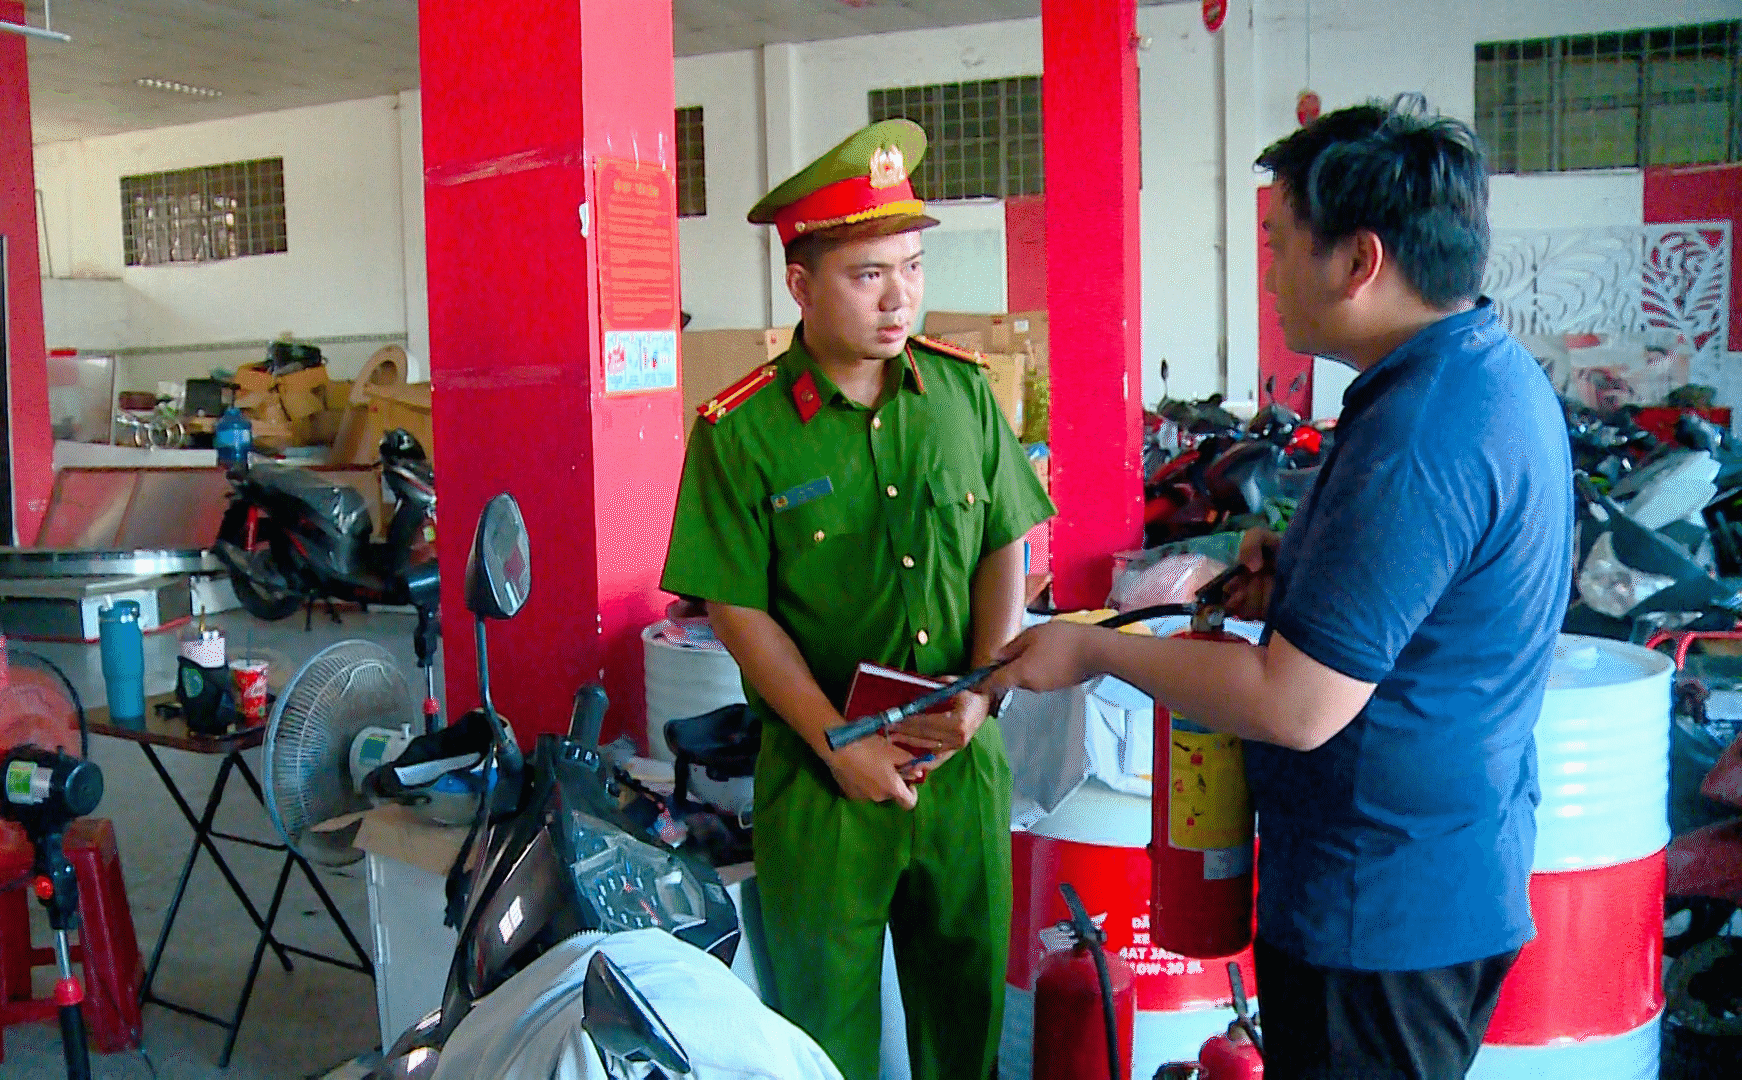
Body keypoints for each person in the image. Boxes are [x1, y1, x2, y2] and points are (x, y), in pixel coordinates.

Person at [985, 95, 1573, 1079]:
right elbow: (1415, 606)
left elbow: (1298, 707)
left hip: (1379, 909)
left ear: (1358, 262)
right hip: (1448, 868)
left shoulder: (1420, 434)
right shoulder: (1485, 375)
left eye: (1278, 242)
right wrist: (1295, 573)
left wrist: (1088, 650)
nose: (1268, 274)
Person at [659, 118, 1054, 1080]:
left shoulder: (961, 396)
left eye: (912, 268)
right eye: (867, 274)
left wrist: (983, 686)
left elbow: (1010, 538)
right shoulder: (740, 431)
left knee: (964, 1026)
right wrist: (842, 741)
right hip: (823, 777)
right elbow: (737, 611)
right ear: (800, 282)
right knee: (821, 1039)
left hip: (960, 764)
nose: (899, 299)